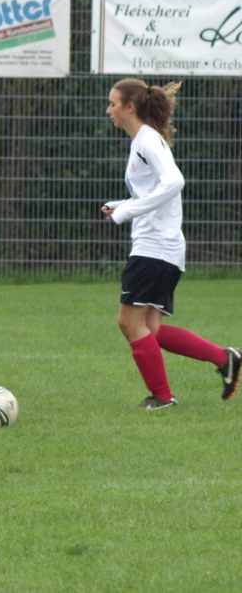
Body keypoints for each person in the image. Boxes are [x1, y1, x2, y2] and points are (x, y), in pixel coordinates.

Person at [102, 78, 240, 409]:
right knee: (150, 329)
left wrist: (128, 212)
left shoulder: (147, 140)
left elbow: (174, 181)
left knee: (129, 323)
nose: (108, 110)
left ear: (129, 107)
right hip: (164, 247)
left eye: (112, 104)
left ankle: (162, 398)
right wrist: (122, 206)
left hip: (154, 247)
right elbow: (154, 192)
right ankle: (225, 358)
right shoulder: (144, 140)